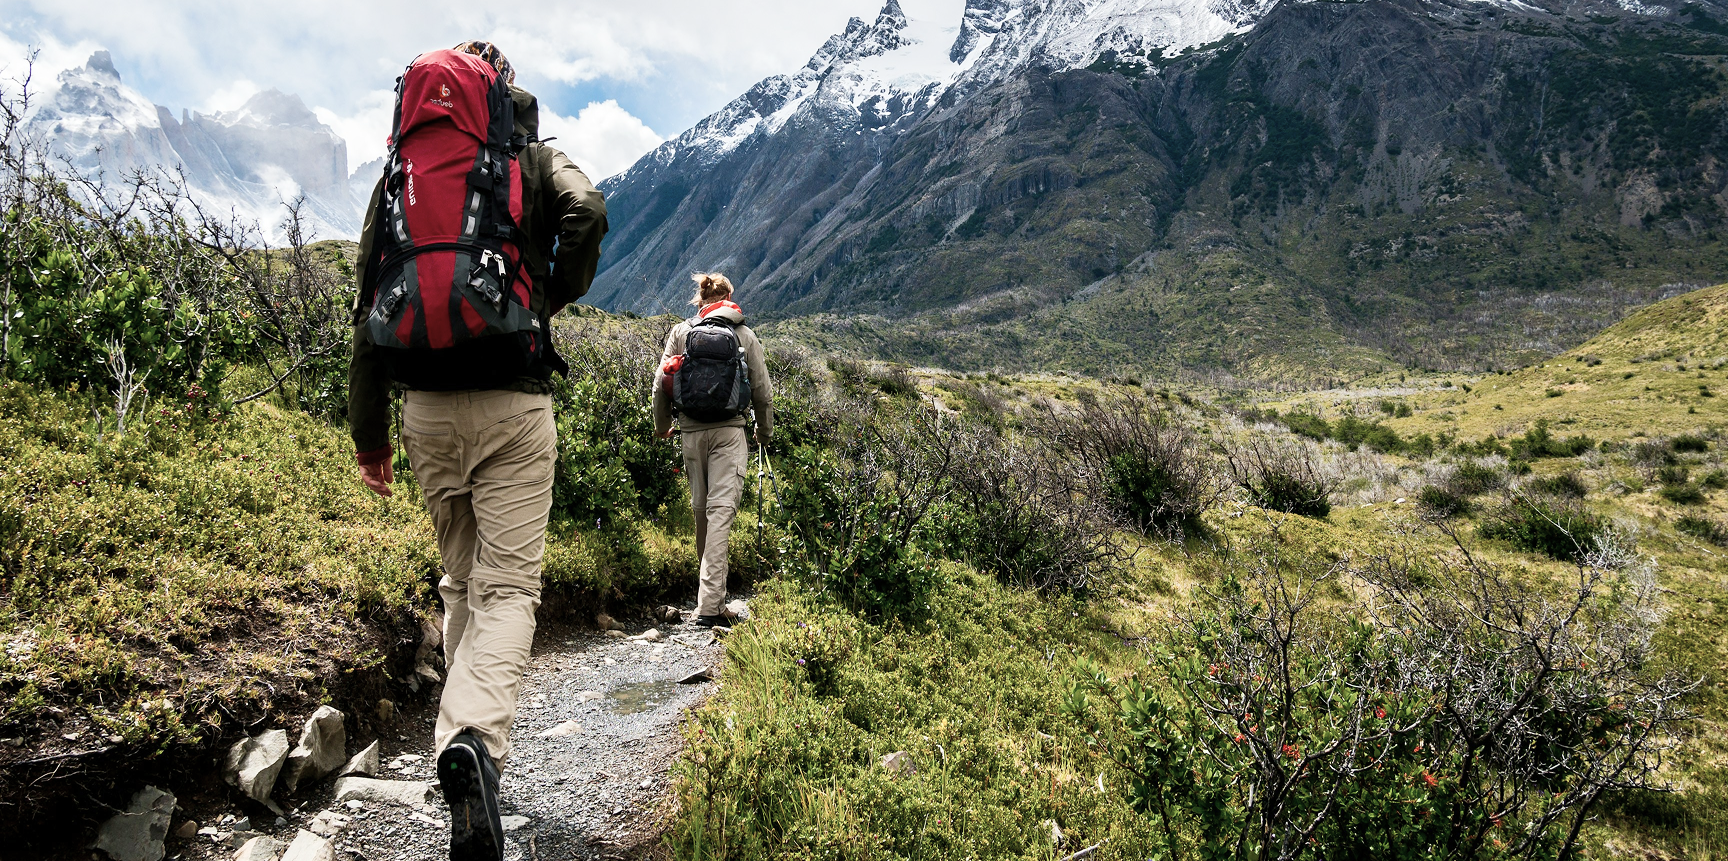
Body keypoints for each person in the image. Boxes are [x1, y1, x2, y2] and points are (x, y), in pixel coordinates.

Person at [349, 41, 606, 861]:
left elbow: (369, 294)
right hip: (511, 402)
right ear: (501, 90)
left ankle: (457, 752)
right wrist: (543, 294)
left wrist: (369, 434)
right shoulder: (526, 154)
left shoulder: (401, 171)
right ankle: (473, 743)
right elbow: (588, 211)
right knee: (509, 589)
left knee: (461, 578)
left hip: (423, 409)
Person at [652, 273, 773, 627]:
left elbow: (660, 384)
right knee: (721, 513)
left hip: (690, 433)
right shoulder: (744, 335)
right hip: (729, 433)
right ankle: (709, 607)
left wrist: (662, 426)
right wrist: (763, 432)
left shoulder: (681, 332)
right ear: (729, 297)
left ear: (701, 300)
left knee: (702, 512)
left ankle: (710, 598)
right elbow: (763, 391)